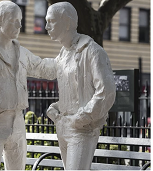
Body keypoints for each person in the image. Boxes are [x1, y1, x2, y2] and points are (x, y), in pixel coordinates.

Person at [0, 1, 56, 170]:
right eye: (14, 20)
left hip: (18, 123)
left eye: (20, 20)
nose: (19, 25)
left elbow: (43, 67)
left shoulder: (21, 52)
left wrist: (68, 60)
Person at [45, 2, 116, 170]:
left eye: (51, 21)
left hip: (82, 129)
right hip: (63, 126)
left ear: (67, 22)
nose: (47, 26)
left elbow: (106, 92)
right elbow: (74, 94)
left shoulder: (92, 51)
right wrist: (56, 108)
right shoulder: (62, 54)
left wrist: (82, 117)